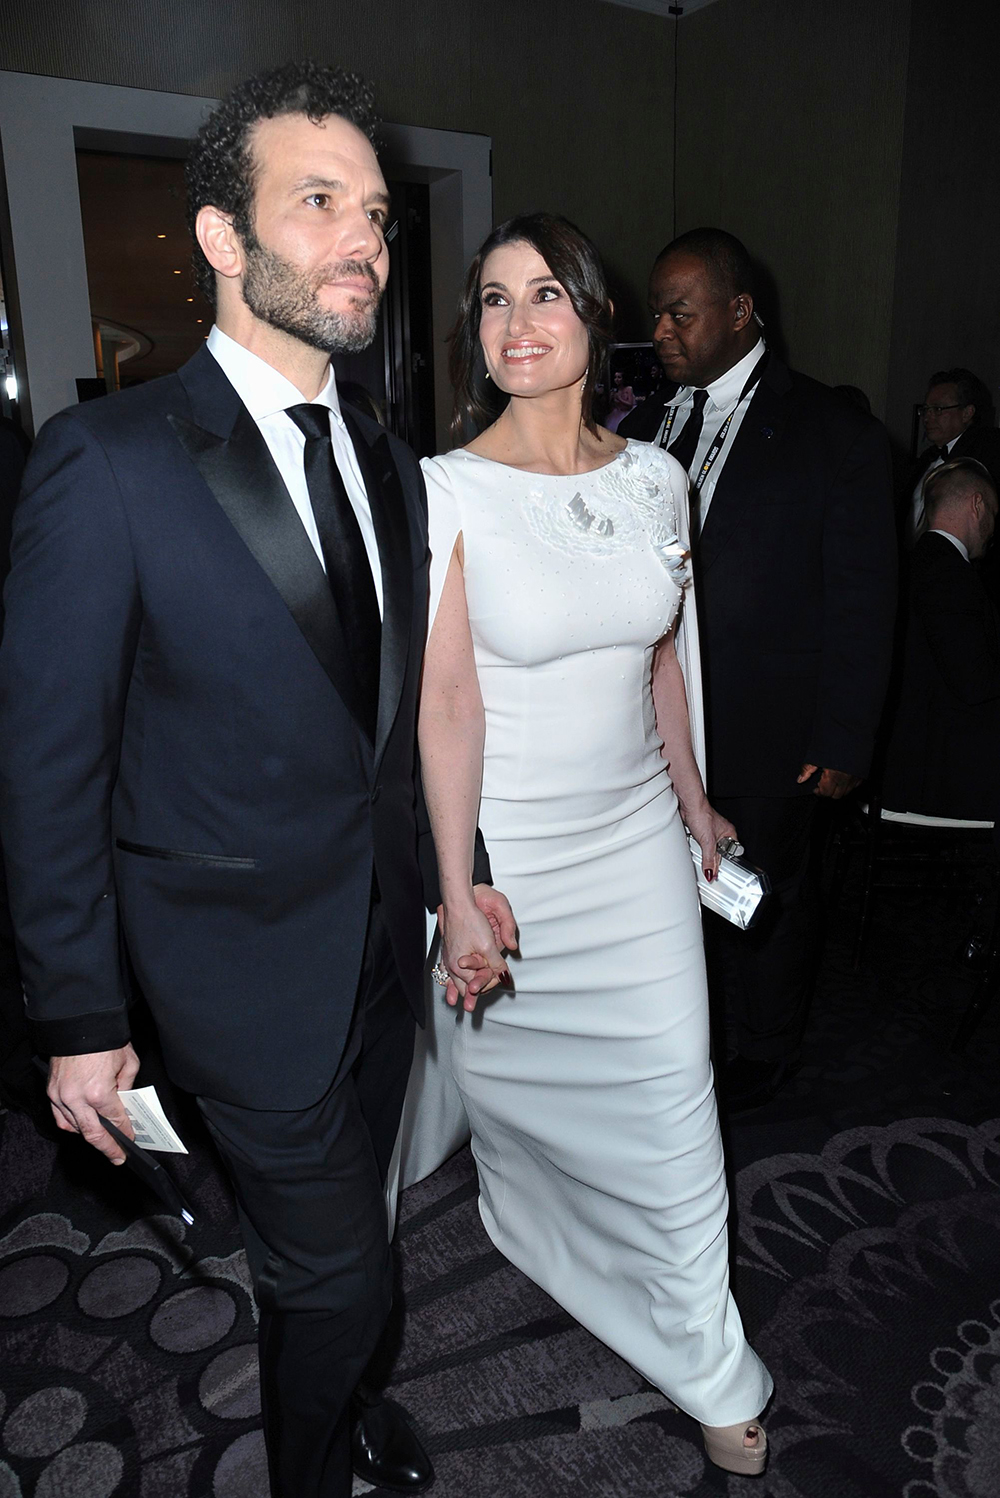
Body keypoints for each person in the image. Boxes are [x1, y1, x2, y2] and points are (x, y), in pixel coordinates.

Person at [0, 61, 514, 1498]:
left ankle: (340, 1402)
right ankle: (312, 1462)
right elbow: (47, 763)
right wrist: (80, 1014)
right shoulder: (105, 460)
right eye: (317, 204)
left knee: (351, 1233)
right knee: (347, 1267)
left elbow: (404, 714)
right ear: (224, 238)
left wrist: (450, 887)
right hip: (226, 963)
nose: (365, 239)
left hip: (378, 940)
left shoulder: (393, 464)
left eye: (376, 213)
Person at [417, 212, 773, 1477]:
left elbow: (665, 659)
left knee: (676, 1097)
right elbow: (444, 702)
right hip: (518, 855)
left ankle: (708, 1359)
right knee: (516, 1095)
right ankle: (523, 1214)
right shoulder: (446, 490)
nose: (518, 322)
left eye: (546, 295)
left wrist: (693, 804)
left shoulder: (657, 479)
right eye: (494, 300)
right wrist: (457, 889)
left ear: (591, 316)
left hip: (632, 850)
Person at [619, 227, 897, 1111]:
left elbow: (864, 599)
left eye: (679, 312)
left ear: (741, 312)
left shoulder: (835, 433)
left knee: (764, 892)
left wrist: (844, 734)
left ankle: (770, 1049)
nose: (659, 330)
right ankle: (685, 1038)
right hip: (662, 715)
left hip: (773, 722)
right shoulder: (656, 420)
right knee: (673, 888)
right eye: (656, 312)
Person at [882, 458, 1000, 830]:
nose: (994, 529)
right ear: (977, 505)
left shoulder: (909, 565)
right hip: (941, 776)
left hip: (906, 766)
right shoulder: (949, 574)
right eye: (994, 513)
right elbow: (974, 681)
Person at [902, 368, 1000, 544]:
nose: (927, 417)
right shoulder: (925, 459)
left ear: (967, 413)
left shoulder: (987, 453)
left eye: (938, 409)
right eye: (926, 409)